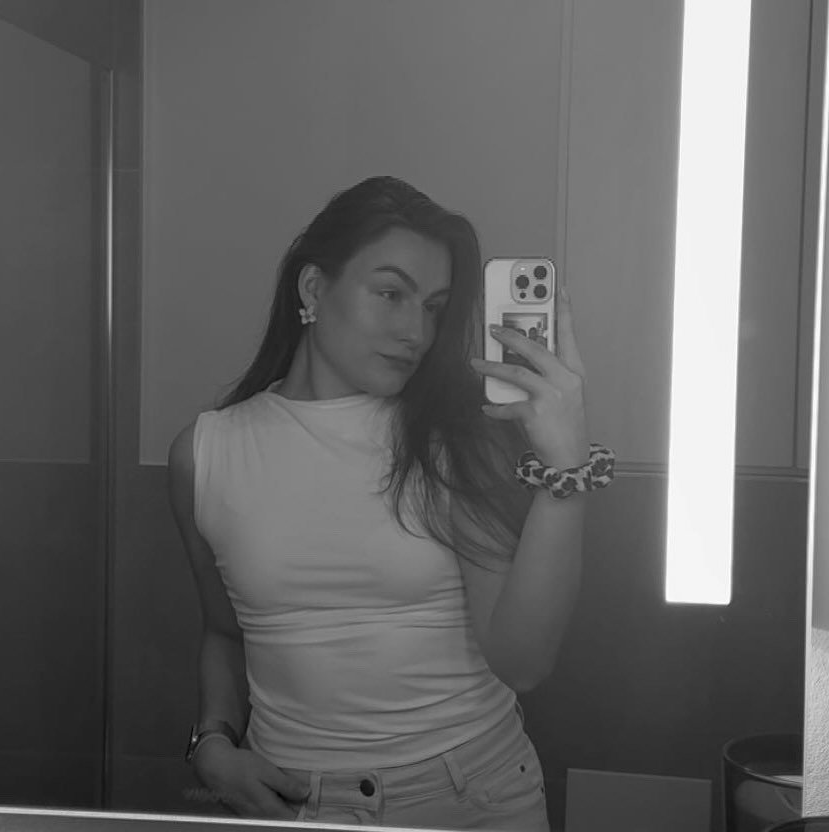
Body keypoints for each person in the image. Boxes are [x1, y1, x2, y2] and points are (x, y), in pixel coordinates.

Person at [168, 175, 614, 830]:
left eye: (433, 307)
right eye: (390, 294)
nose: (416, 332)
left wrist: (565, 466)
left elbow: (523, 660)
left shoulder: (450, 438)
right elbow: (224, 629)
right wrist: (211, 744)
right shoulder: (206, 454)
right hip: (293, 803)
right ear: (313, 289)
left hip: (472, 800)